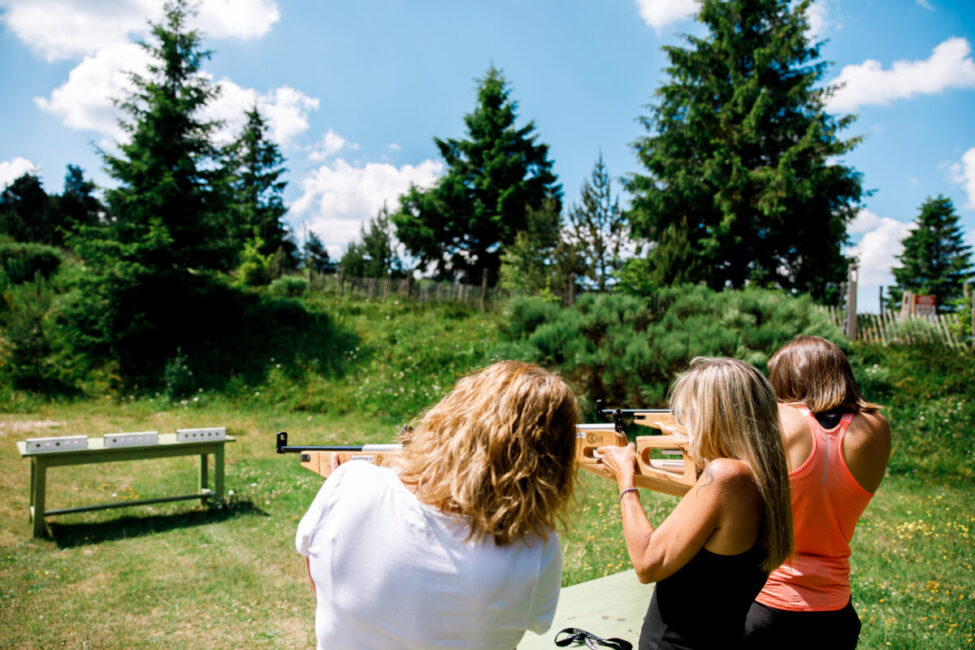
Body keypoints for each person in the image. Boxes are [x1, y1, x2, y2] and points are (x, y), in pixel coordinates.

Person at [295, 360, 579, 650]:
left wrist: (342, 492)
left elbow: (324, 585)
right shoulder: (536, 548)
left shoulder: (348, 484)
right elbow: (537, 621)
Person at [598, 357, 794, 649]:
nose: (685, 422)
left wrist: (625, 479)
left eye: (689, 414)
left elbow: (648, 563)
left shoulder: (726, 476)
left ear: (716, 416)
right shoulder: (761, 474)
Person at [743, 335, 891, 649]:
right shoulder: (877, 428)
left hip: (769, 602)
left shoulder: (783, 423)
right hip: (836, 611)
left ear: (789, 380)